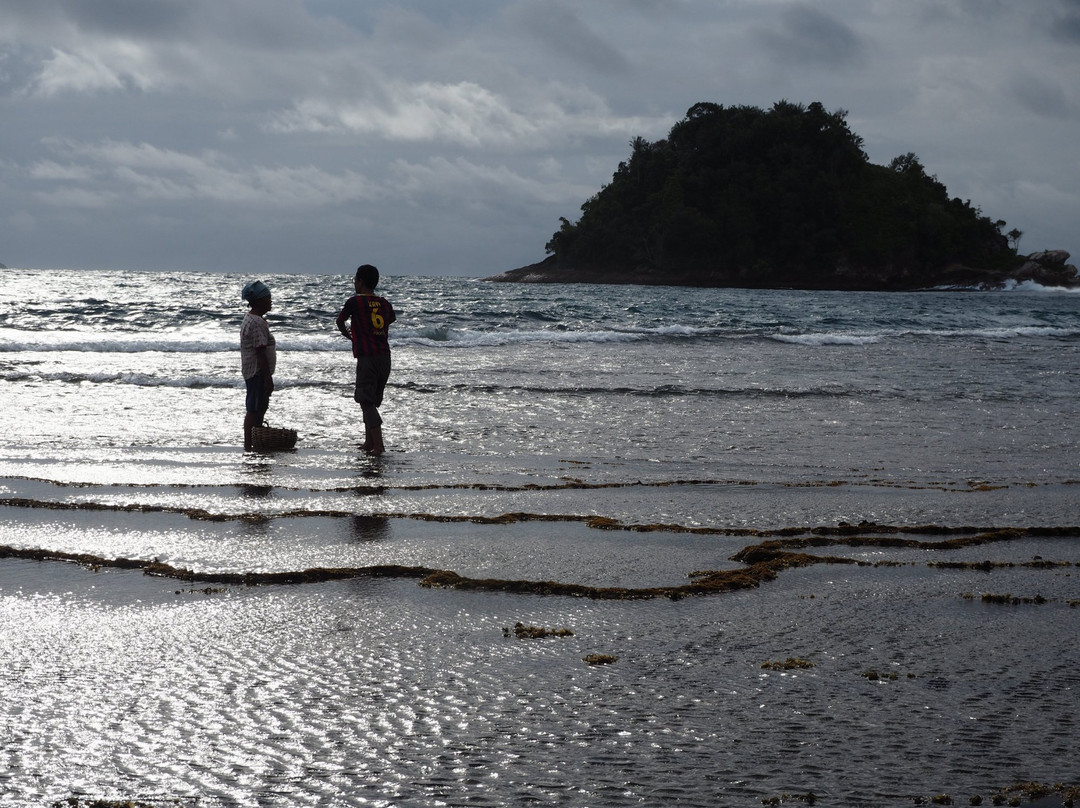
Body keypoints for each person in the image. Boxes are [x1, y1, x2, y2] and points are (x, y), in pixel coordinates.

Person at [336, 264, 396, 455]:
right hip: (385, 358)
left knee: (365, 401)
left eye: (355, 279)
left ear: (360, 281)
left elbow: (340, 320)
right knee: (372, 400)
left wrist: (349, 335)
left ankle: (378, 445)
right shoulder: (385, 303)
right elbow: (390, 319)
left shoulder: (354, 302)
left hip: (367, 358)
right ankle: (368, 442)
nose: (354, 283)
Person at [240, 280, 276, 451]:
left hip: (253, 371)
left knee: (259, 407)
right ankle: (249, 445)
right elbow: (260, 353)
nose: (271, 301)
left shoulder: (252, 319)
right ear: (259, 301)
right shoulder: (257, 323)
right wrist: (268, 378)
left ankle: (255, 441)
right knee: (254, 409)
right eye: (268, 298)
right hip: (257, 372)